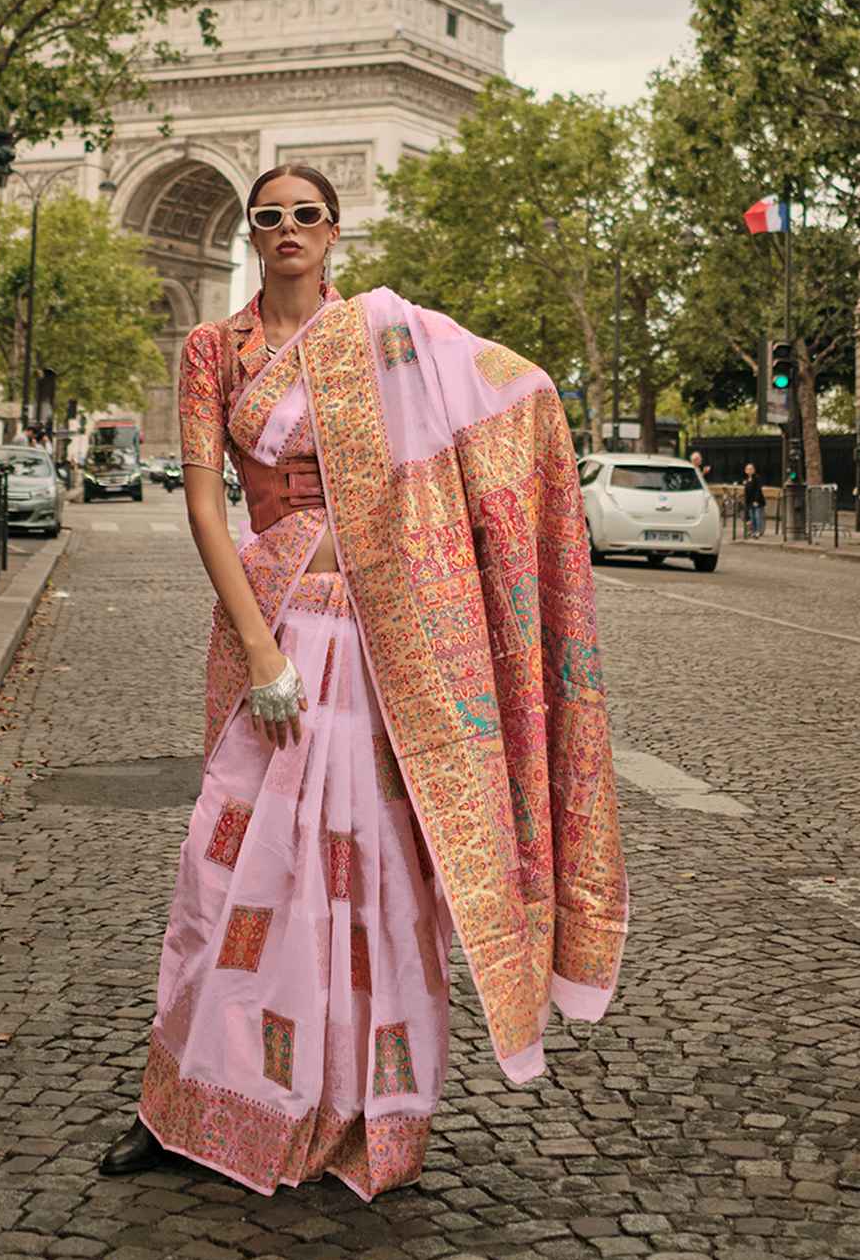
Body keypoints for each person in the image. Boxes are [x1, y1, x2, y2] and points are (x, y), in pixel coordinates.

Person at [99, 164, 628, 1199]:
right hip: (279, 631)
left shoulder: (394, 343)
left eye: (305, 214)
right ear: (249, 235)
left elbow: (515, 398)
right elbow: (208, 510)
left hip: (386, 646)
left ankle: (357, 1115)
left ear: (334, 231)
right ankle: (183, 1107)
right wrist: (259, 652)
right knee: (227, 877)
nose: (286, 229)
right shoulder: (212, 349)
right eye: (267, 217)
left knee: (374, 882)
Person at [743, 462, 765, 538]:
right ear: (745, 471)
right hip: (749, 501)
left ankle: (758, 531)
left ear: (754, 470)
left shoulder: (757, 478)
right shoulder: (746, 480)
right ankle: (753, 531)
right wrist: (746, 502)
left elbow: (758, 490)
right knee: (752, 516)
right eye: (748, 469)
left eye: (751, 469)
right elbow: (746, 492)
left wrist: (756, 500)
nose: (749, 470)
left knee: (757, 516)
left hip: (757, 501)